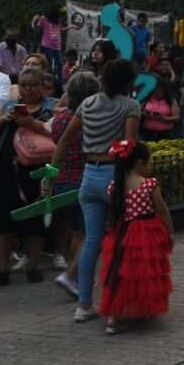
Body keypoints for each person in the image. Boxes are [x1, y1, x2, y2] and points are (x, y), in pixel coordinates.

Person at [50, 58, 140, 322]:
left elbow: (66, 140)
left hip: (89, 176)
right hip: (115, 175)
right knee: (120, 239)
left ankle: (84, 304)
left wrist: (51, 172)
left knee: (92, 240)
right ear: (128, 81)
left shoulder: (86, 104)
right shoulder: (130, 105)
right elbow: (130, 145)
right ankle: (115, 306)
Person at [0, 66, 56, 286]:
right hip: (6, 170)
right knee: (5, 217)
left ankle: (33, 265)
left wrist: (32, 123)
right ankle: (3, 268)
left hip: (37, 171)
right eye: (24, 85)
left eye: (34, 85)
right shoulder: (8, 105)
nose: (29, 89)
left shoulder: (51, 107)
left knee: (34, 218)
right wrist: (5, 118)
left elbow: (58, 133)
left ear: (43, 86)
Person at [98, 140, 173, 334]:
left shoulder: (114, 186)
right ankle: (145, 309)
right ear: (139, 163)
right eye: (148, 163)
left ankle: (114, 317)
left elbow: (113, 213)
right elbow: (162, 209)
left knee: (120, 274)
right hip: (146, 232)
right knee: (145, 273)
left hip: (121, 233)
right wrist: (169, 231)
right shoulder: (149, 184)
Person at [49, 70, 101, 298]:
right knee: (91, 234)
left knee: (78, 233)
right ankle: (72, 275)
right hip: (83, 179)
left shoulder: (59, 118)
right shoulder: (89, 118)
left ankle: (78, 277)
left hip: (62, 181)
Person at [32, 8, 67, 82]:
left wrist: (71, 27)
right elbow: (38, 30)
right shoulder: (44, 19)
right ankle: (49, 79)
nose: (60, 17)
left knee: (59, 64)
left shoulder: (58, 21)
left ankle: (60, 80)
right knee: (49, 63)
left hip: (57, 46)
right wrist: (34, 23)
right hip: (47, 44)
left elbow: (61, 29)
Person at [141, 77, 180, 142]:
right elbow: (138, 110)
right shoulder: (146, 99)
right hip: (148, 133)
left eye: (159, 91)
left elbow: (177, 118)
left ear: (164, 90)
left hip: (165, 134)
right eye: (155, 91)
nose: (157, 93)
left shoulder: (170, 100)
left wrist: (163, 118)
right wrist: (144, 114)